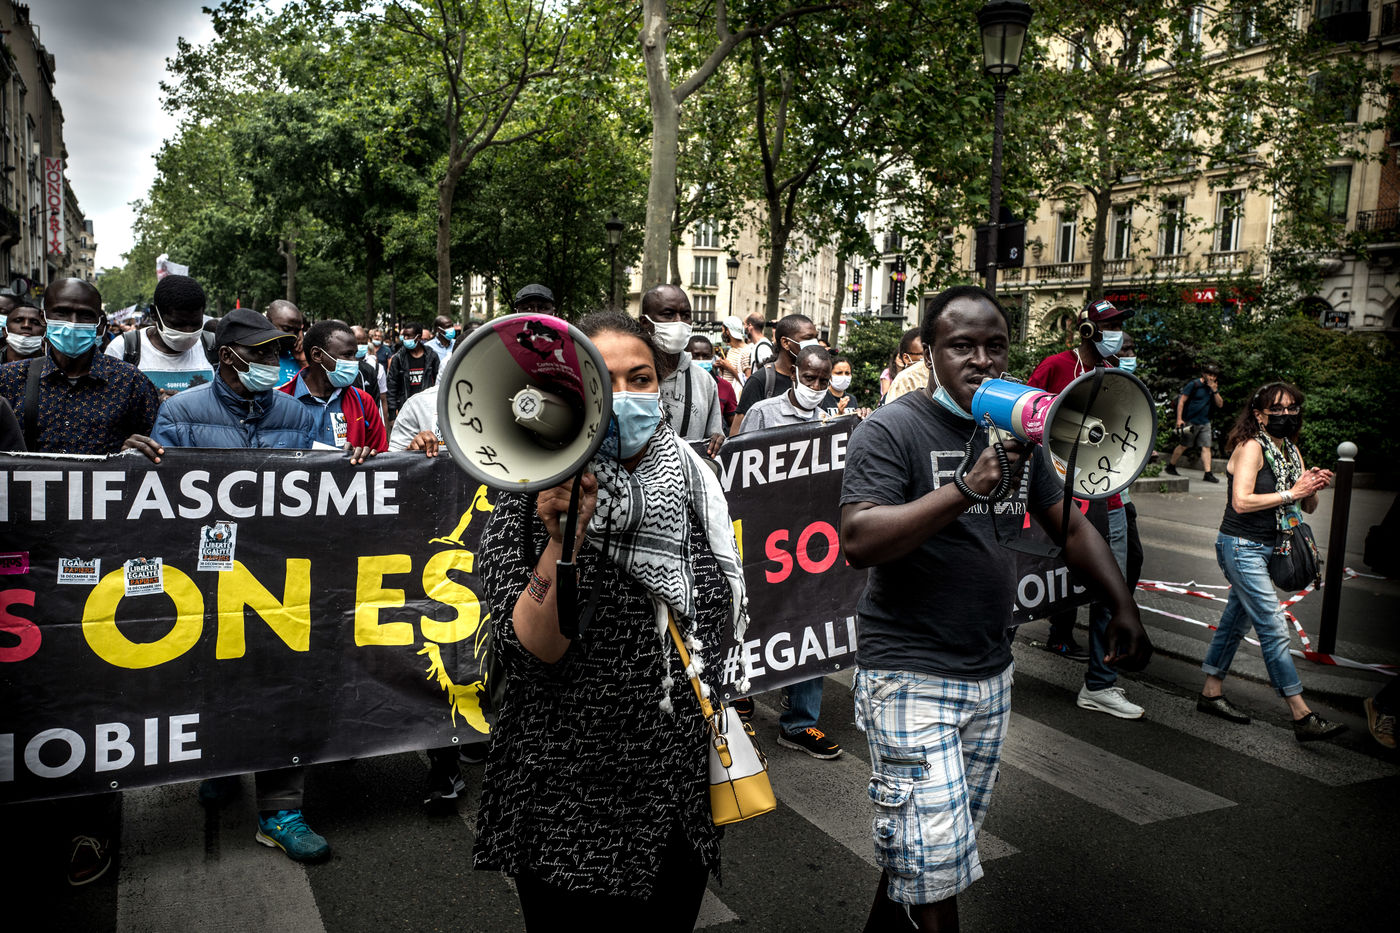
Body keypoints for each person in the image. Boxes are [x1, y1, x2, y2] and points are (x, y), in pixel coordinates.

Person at [840, 285, 1152, 932]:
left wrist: (1121, 602)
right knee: (934, 867)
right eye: (962, 345)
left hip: (989, 671)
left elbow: (1070, 525)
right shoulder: (891, 429)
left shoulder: (1016, 432)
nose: (981, 360)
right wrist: (966, 485)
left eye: (996, 346)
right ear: (930, 352)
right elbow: (860, 540)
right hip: (909, 673)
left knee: (932, 858)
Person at [472, 310, 747, 929]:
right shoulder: (526, 490)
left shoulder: (694, 484)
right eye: (603, 380)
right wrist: (562, 541)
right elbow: (532, 651)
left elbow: (714, 616)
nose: (625, 397)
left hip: (674, 787)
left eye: (640, 378)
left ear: (661, 385)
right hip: (568, 788)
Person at [122, 308, 366, 863]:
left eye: (276, 351)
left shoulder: (298, 414)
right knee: (215, 680)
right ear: (227, 356)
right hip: (208, 579)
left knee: (283, 684)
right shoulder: (181, 413)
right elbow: (158, 498)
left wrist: (355, 462)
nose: (271, 361)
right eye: (259, 352)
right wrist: (136, 465)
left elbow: (325, 486)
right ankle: (221, 762)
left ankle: (281, 812)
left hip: (280, 577)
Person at [1196, 381, 1345, 742]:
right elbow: (1241, 502)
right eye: (1276, 409)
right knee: (1274, 625)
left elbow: (1305, 505)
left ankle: (1210, 692)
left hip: (1272, 545)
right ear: (1259, 414)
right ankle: (1301, 715)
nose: (1285, 415)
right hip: (1241, 547)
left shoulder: (1290, 450)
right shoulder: (1251, 447)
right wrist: (1293, 491)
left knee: (1235, 621)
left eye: (1292, 408)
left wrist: (1311, 487)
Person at [1028, 298, 1143, 718]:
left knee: (1111, 587)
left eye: (1119, 326)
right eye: (1108, 326)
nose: (1116, 334)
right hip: (1056, 498)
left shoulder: (1117, 376)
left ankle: (1100, 683)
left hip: (1107, 497)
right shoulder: (1055, 367)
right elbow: (1026, 419)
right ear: (1088, 330)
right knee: (1025, 575)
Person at [0, 279, 160, 456]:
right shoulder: (9, 379)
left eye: (85, 315)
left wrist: (134, 452)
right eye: (62, 313)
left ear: (98, 322)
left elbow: (157, 449)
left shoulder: (131, 382)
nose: (73, 323)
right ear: (43, 317)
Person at [278, 320, 388, 454]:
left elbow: (382, 457)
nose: (354, 362)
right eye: (347, 355)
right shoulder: (280, 401)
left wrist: (363, 457)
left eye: (354, 355)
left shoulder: (363, 402)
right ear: (317, 355)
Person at [639, 284, 724, 456]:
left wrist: (717, 441)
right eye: (668, 314)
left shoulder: (705, 381)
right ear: (645, 323)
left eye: (685, 315)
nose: (679, 322)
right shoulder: (629, 376)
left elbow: (714, 437)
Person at [106, 274, 215, 397]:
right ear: (154, 314)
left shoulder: (213, 347)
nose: (188, 332)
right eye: (178, 324)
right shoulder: (123, 349)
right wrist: (151, 403)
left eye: (195, 324)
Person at [731, 313, 819, 435]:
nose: (814, 344)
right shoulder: (760, 380)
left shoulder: (816, 380)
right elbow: (737, 434)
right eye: (808, 338)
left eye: (815, 338)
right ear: (785, 342)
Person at [737, 344, 832, 433]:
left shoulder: (827, 422)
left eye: (823, 381)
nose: (816, 387)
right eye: (809, 378)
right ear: (793, 373)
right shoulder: (761, 414)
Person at [1167, 363, 1224, 483]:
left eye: (1214, 375)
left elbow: (1220, 404)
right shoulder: (1194, 385)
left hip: (1205, 422)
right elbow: (1181, 401)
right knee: (1184, 445)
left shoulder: (1213, 388)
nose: (1212, 378)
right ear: (1204, 374)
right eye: (1209, 374)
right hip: (1191, 421)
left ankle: (1208, 473)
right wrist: (1179, 419)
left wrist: (1215, 391)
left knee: (1206, 447)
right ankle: (1171, 466)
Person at [386, 320, 440, 421]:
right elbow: (392, 386)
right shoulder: (398, 358)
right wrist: (392, 414)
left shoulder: (431, 357)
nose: (405, 339)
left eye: (408, 336)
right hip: (405, 408)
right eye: (404, 336)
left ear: (418, 337)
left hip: (427, 408)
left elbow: (438, 381)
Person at [686, 334, 738, 425]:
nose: (701, 360)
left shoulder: (725, 386)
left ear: (712, 358)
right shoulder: (677, 384)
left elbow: (733, 423)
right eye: (695, 355)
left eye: (706, 356)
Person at [265, 299, 308, 387]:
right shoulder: (253, 356)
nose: (292, 335)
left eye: (296, 331)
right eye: (286, 329)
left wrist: (303, 361)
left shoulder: (298, 358)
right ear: (268, 322)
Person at [882, 328, 927, 403]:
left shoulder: (940, 376)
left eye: (932, 352)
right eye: (924, 354)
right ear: (906, 358)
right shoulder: (902, 381)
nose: (929, 357)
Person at [819, 354, 870, 420]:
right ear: (829, 375)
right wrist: (839, 414)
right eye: (839, 373)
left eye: (847, 373)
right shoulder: (821, 398)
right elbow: (820, 424)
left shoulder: (852, 399)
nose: (844, 376)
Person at [2, 299, 45, 364]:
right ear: (5, 331)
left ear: (45, 333)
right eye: (18, 320)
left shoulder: (56, 365)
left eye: (35, 322)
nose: (26, 325)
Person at [713, 315, 748, 392]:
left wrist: (729, 368)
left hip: (737, 397)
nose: (722, 333)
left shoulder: (746, 351)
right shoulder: (731, 350)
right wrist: (722, 367)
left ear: (727, 331)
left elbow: (748, 382)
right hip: (726, 395)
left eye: (723, 330)